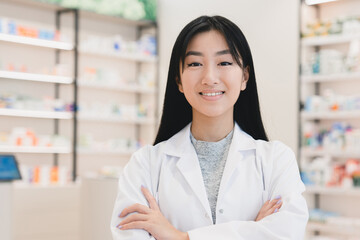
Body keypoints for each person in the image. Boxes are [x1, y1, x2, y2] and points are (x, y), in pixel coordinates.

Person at [110, 15, 308, 240]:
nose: (210, 77)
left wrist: (178, 237)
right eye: (195, 64)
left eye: (224, 63)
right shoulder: (145, 165)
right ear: (179, 80)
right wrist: (252, 230)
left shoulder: (276, 160)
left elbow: (288, 232)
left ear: (244, 76)